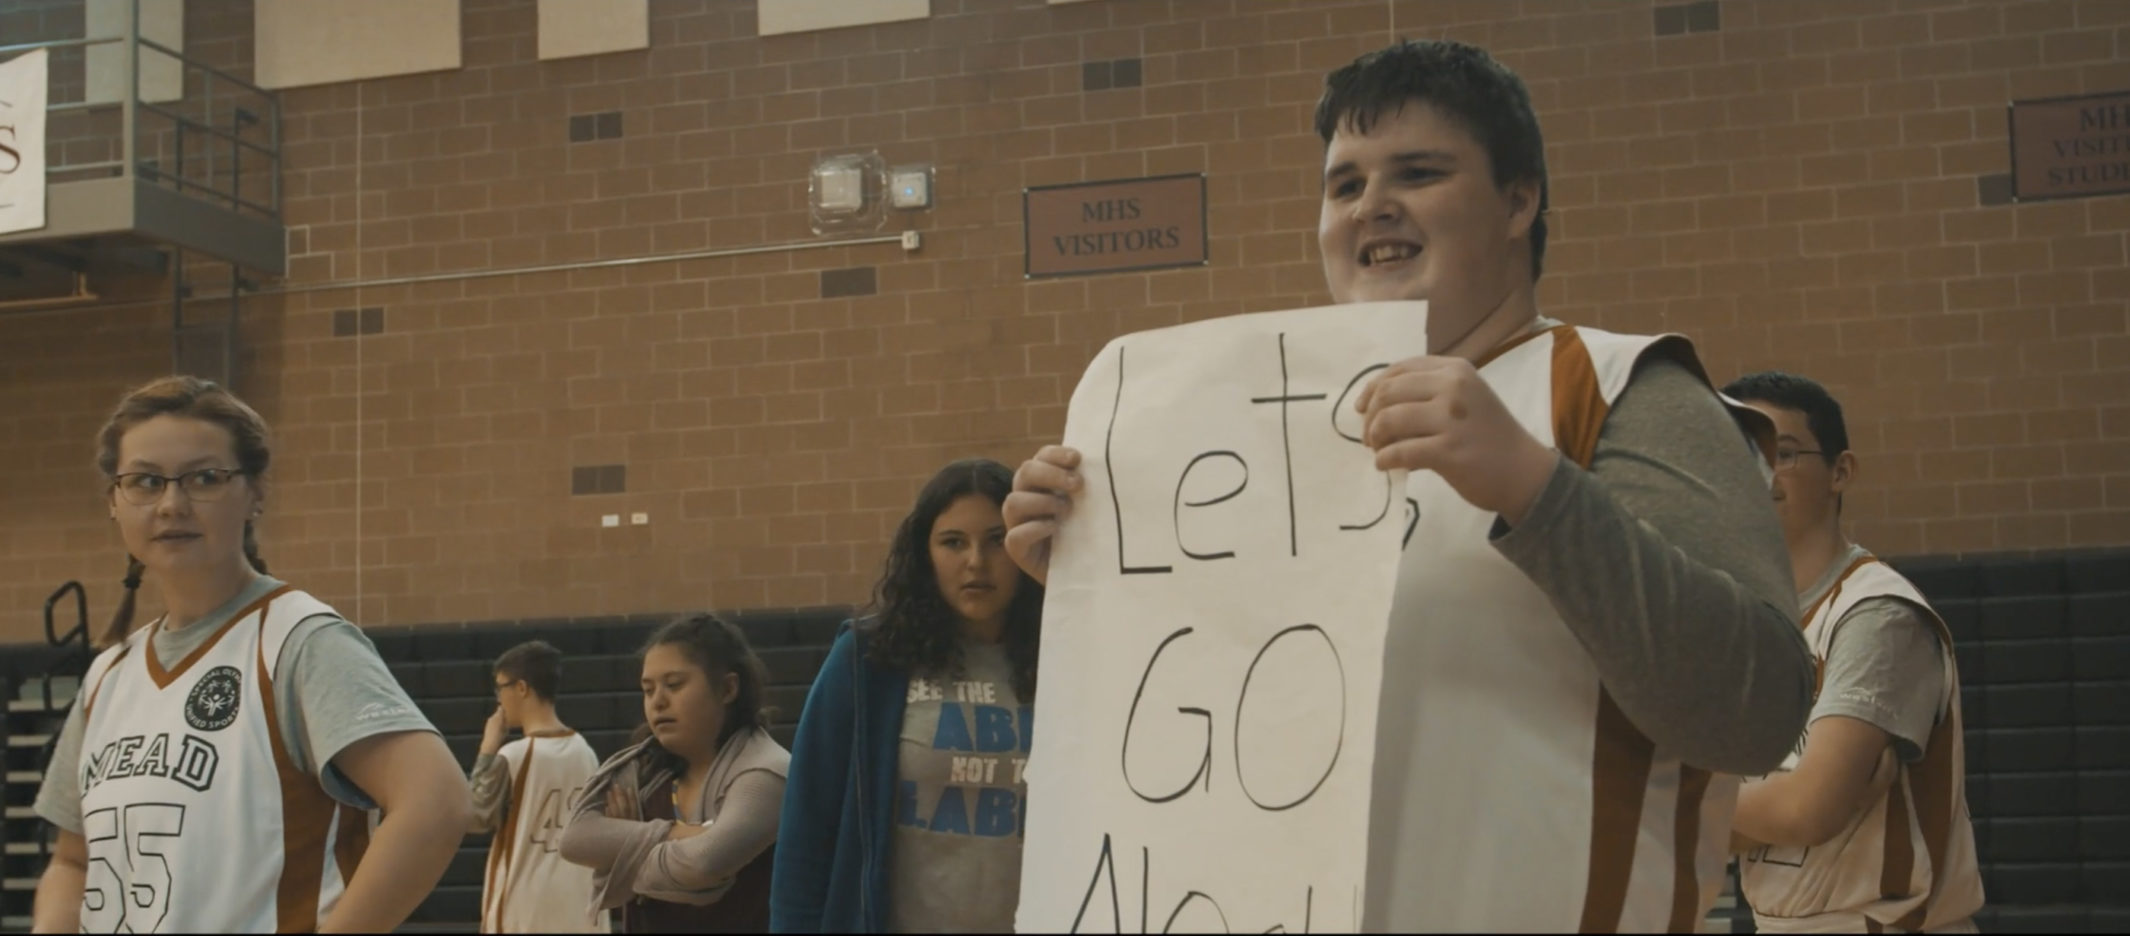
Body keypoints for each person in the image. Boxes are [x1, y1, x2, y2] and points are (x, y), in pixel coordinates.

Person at [1002, 39, 1817, 931]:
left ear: (1519, 200)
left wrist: (1535, 488)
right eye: (1344, 185)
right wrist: (1101, 590)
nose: (1372, 206)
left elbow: (1758, 714)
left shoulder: (1623, 388)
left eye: (1418, 172)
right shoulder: (1259, 432)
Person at [29, 375, 469, 933]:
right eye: (144, 481)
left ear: (256, 492)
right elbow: (73, 861)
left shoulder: (298, 640)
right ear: (114, 501)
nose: (172, 504)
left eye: (205, 478)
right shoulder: (108, 675)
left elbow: (437, 802)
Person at [1723, 372, 1984, 933]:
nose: (1759, 471)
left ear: (1841, 471)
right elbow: (1715, 830)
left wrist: (1684, 801)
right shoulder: (1748, 624)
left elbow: (1808, 808)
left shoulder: (1877, 614)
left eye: (1783, 453)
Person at [771, 458, 1043, 933]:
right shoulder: (866, 662)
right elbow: (806, 833)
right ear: (925, 552)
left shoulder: (1065, 659)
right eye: (953, 542)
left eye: (996, 540)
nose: (976, 561)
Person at [559, 614, 787, 932]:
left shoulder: (767, 770)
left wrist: (621, 860)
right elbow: (574, 838)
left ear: (728, 688)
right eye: (648, 690)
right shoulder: (646, 767)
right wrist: (676, 833)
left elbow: (703, 864)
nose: (658, 702)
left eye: (674, 685)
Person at [470, 640, 609, 933]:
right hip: (578, 907)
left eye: (501, 688)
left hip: (523, 909)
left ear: (521, 688)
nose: (499, 700)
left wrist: (486, 749)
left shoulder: (513, 756)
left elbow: (474, 816)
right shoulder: (586, 752)